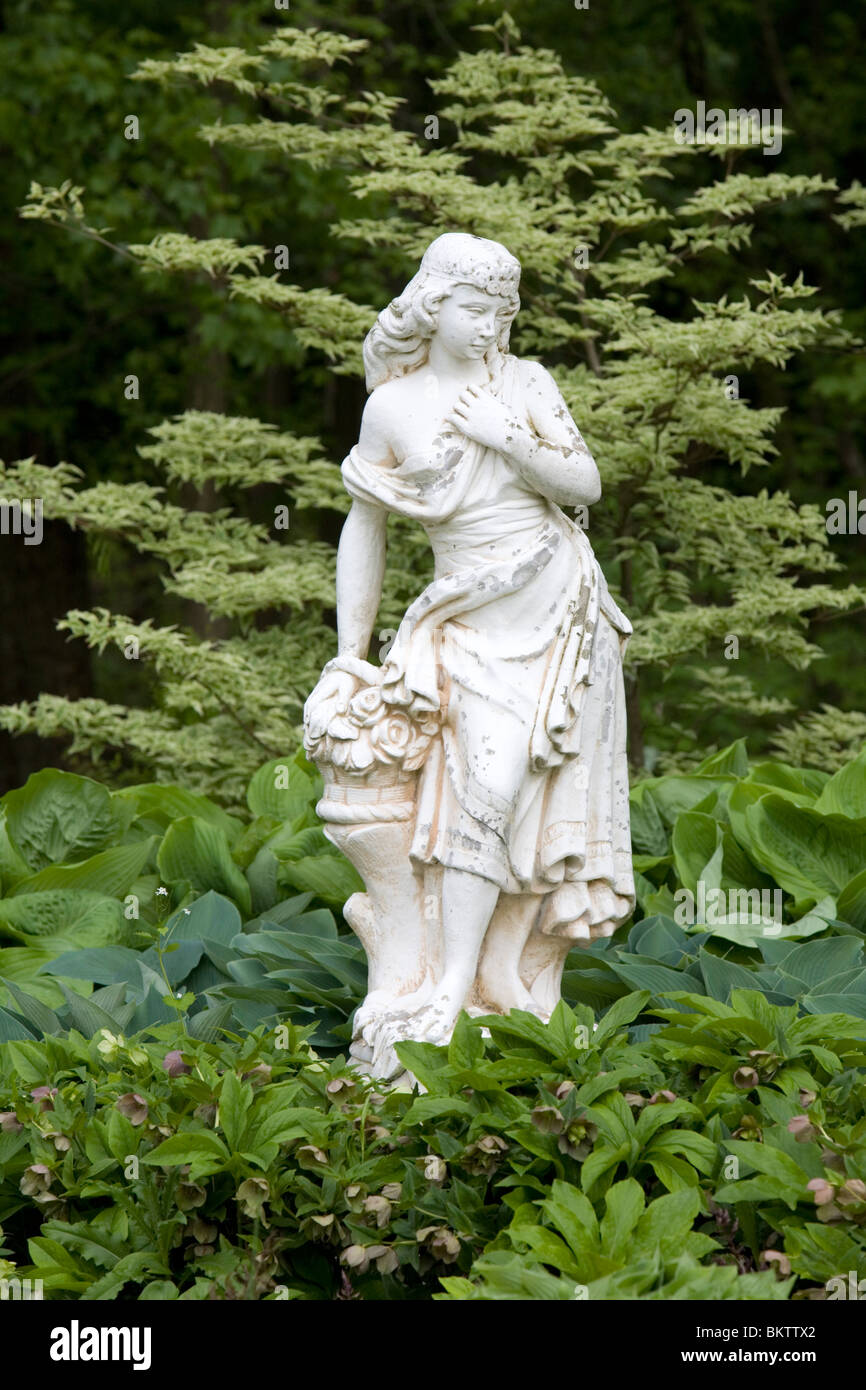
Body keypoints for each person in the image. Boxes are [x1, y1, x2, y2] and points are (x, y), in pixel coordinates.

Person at [306, 232, 634, 1046]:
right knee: (481, 787)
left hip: (555, 601)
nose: (492, 327)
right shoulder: (392, 404)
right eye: (476, 309)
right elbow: (365, 529)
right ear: (433, 304)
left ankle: (480, 983)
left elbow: (584, 484)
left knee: (523, 793)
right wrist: (353, 650)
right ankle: (445, 985)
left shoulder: (525, 383)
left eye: (503, 312)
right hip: (465, 614)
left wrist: (507, 434)